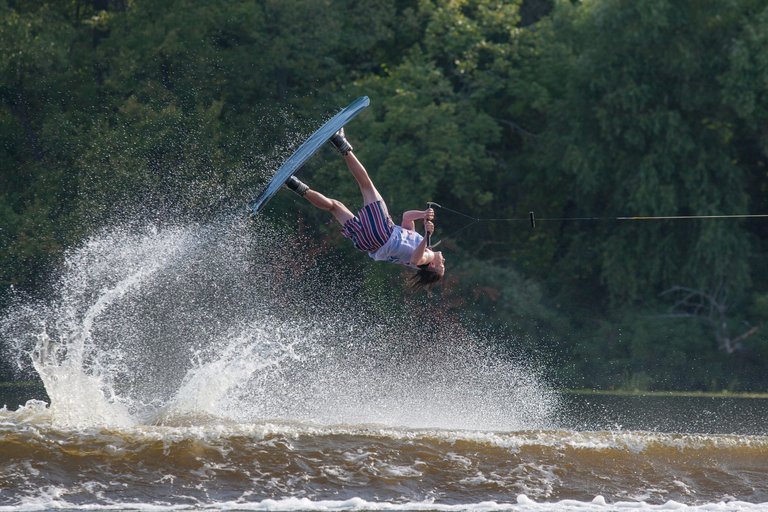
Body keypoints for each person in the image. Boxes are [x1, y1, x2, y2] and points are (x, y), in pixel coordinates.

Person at [283, 128, 445, 289]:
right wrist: (423, 214)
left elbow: (417, 260)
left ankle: (341, 144)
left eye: (441, 266)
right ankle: (294, 185)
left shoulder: (426, 257)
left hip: (383, 234)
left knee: (366, 185)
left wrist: (427, 235)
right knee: (335, 207)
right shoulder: (413, 246)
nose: (443, 261)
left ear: (432, 266)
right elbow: (407, 217)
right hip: (367, 243)